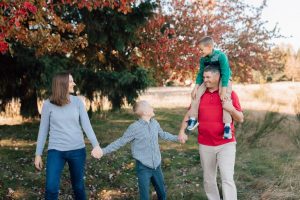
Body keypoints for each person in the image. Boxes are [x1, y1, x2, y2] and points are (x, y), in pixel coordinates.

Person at [178, 66, 244, 200]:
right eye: (203, 77)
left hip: (226, 143)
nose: (205, 80)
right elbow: (190, 114)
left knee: (227, 178)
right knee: (208, 179)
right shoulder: (200, 94)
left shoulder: (230, 94)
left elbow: (240, 118)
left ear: (217, 76)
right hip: (205, 144)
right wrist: (181, 131)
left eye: (208, 77)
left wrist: (231, 109)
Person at [34, 72, 102, 200]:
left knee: (78, 187)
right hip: (56, 151)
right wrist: (38, 154)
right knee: (51, 188)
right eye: (71, 81)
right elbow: (43, 130)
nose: (74, 83)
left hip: (77, 150)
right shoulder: (48, 104)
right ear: (62, 84)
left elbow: (86, 125)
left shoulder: (77, 102)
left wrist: (96, 145)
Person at [99, 100, 186, 200]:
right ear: (145, 112)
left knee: (162, 194)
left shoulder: (155, 123)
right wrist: (103, 151)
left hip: (157, 166)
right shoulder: (134, 128)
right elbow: (121, 141)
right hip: (143, 167)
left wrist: (178, 137)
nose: (152, 108)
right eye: (150, 106)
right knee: (144, 197)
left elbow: (163, 134)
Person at [187, 36, 233, 139]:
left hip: (224, 79)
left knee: (225, 97)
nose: (200, 51)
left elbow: (225, 73)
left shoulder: (221, 56)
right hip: (209, 78)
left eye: (201, 49)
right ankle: (193, 118)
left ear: (209, 47)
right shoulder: (203, 59)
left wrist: (223, 90)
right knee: (196, 94)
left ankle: (227, 126)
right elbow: (200, 74)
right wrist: (196, 87)